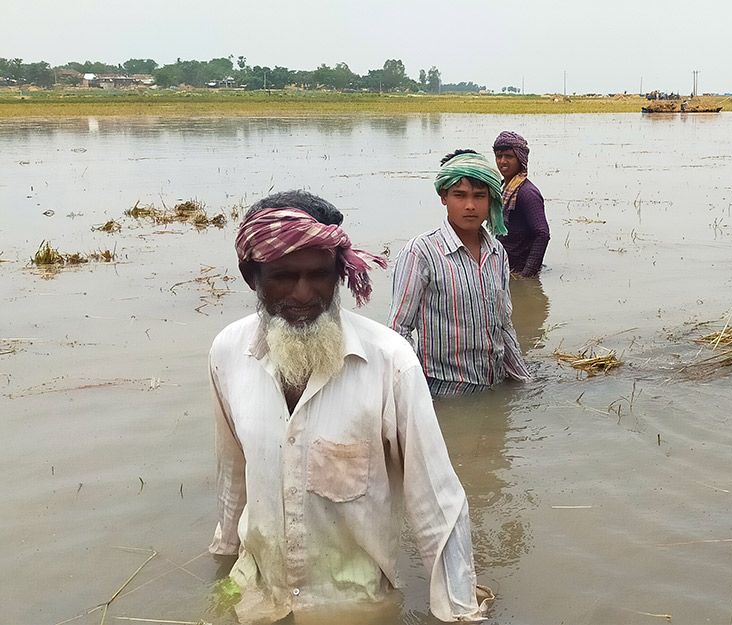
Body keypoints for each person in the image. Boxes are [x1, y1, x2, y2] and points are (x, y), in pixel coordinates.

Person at [207, 191, 491, 624]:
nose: (304, 294)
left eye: (320, 275)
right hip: (256, 595)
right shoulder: (228, 353)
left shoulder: (390, 363)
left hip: (353, 605)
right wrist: (223, 564)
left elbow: (438, 505)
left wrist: (460, 613)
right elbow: (234, 474)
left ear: (339, 273)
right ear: (252, 276)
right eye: (284, 276)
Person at [389, 150, 532, 397]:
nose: (470, 205)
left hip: (493, 387)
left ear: (491, 201)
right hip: (442, 394)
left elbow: (504, 325)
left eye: (479, 196)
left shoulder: (497, 252)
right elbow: (398, 333)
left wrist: (524, 382)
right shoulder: (421, 253)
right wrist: (415, 398)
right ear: (443, 196)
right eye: (459, 195)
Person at [492, 131, 550, 277]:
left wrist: (527, 275)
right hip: (505, 268)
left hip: (518, 271)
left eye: (509, 156)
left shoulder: (527, 193)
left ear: (520, 159)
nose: (503, 161)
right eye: (499, 156)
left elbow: (542, 234)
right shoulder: (505, 188)